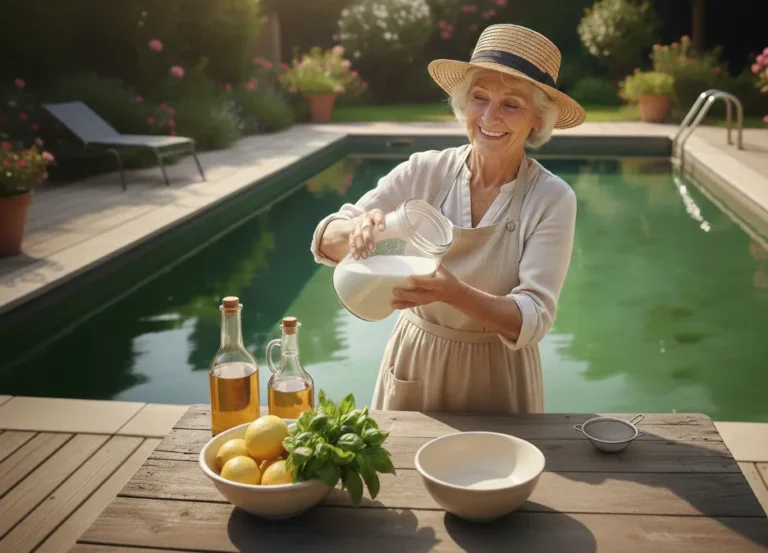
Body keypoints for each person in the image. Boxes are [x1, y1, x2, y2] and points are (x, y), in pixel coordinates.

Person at [310, 24, 586, 414]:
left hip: (499, 374)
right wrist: (357, 229)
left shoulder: (551, 198)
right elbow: (326, 240)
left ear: (537, 120)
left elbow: (533, 317)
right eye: (479, 98)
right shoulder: (425, 170)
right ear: (463, 102)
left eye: (511, 105)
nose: (489, 117)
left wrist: (453, 292)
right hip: (415, 358)